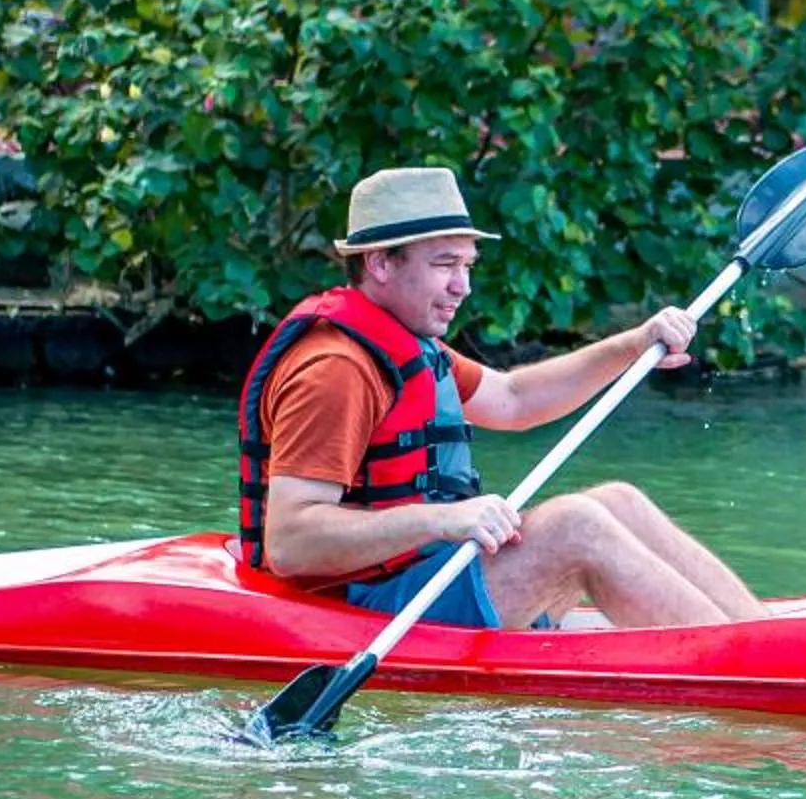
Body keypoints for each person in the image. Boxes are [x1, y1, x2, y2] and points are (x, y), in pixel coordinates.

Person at [235, 166, 762, 630]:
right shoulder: (336, 370)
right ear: (379, 263)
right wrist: (443, 518)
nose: (463, 285)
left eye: (467, 265)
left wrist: (632, 344)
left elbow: (512, 398)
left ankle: (759, 635)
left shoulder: (407, 344)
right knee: (575, 525)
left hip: (421, 574)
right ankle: (746, 666)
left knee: (617, 500)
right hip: (364, 605)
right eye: (445, 264)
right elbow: (291, 542)